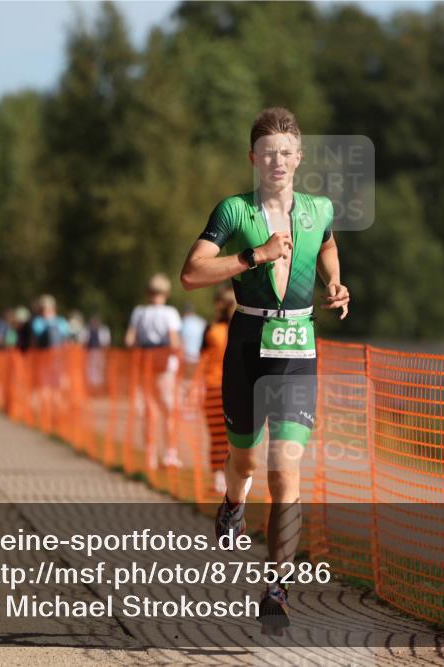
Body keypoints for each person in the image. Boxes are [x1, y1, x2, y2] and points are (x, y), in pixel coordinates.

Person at [179, 107, 350, 633]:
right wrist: (254, 257)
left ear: (299, 159)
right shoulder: (234, 211)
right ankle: (233, 502)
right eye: (267, 153)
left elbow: (326, 244)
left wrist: (334, 283)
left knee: (285, 471)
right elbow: (190, 274)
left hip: (298, 346)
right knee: (246, 462)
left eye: (286, 153)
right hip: (247, 344)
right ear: (254, 158)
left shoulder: (319, 207)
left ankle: (276, 588)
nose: (277, 161)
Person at [125, 273, 183, 469]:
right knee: (168, 411)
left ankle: (150, 456)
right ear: (166, 292)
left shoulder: (139, 312)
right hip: (165, 366)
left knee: (150, 411)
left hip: (145, 364)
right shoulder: (170, 313)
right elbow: (174, 340)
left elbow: (129, 340)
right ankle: (170, 454)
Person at [201, 285, 236, 496]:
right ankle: (219, 478)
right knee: (223, 438)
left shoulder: (214, 329)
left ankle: (225, 479)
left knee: (227, 439)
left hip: (228, 387)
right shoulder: (214, 330)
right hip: (217, 387)